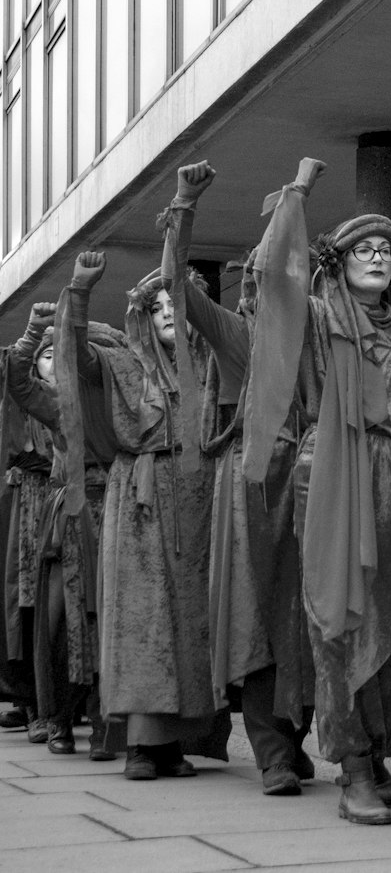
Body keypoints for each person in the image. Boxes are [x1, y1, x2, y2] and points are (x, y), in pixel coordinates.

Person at [242, 161, 391, 826]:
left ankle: (380, 753)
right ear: (339, 260)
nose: (377, 259)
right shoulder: (316, 320)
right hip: (334, 481)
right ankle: (353, 765)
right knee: (340, 626)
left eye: (386, 251)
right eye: (363, 249)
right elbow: (271, 277)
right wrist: (297, 193)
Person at [157, 159, 315, 796]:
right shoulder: (235, 332)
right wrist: (184, 206)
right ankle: (273, 752)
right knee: (257, 623)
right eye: (257, 275)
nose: (268, 282)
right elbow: (176, 284)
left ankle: (295, 739)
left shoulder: (321, 333)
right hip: (253, 489)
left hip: (314, 487)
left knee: (307, 620)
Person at [71, 250, 229, 780]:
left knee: (190, 622)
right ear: (141, 314)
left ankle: (174, 744)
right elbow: (74, 354)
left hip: (198, 495)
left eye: (176, 302)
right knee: (142, 622)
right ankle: (139, 745)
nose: (167, 311)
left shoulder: (208, 364)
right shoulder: (122, 362)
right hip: (138, 500)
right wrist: (79, 295)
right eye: (156, 304)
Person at [11, 271, 122, 759]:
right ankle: (57, 717)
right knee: (58, 622)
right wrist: (35, 332)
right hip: (70, 517)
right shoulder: (55, 401)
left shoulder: (123, 398)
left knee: (111, 621)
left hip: (120, 509)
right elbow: (17, 381)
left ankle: (103, 724)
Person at [1, 303, 63, 747]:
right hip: (30, 508)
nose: (53, 362)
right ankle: (30, 700)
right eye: (45, 355)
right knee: (27, 602)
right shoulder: (28, 401)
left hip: (64, 501)